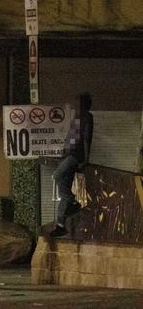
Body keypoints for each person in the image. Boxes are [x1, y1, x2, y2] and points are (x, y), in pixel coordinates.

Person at [50, 93, 93, 237]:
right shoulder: (76, 118)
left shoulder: (87, 117)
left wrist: (86, 159)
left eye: (78, 103)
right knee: (64, 194)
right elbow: (70, 137)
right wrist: (62, 153)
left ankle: (74, 202)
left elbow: (87, 139)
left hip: (74, 157)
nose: (76, 106)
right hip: (67, 155)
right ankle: (60, 225)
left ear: (85, 104)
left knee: (57, 176)